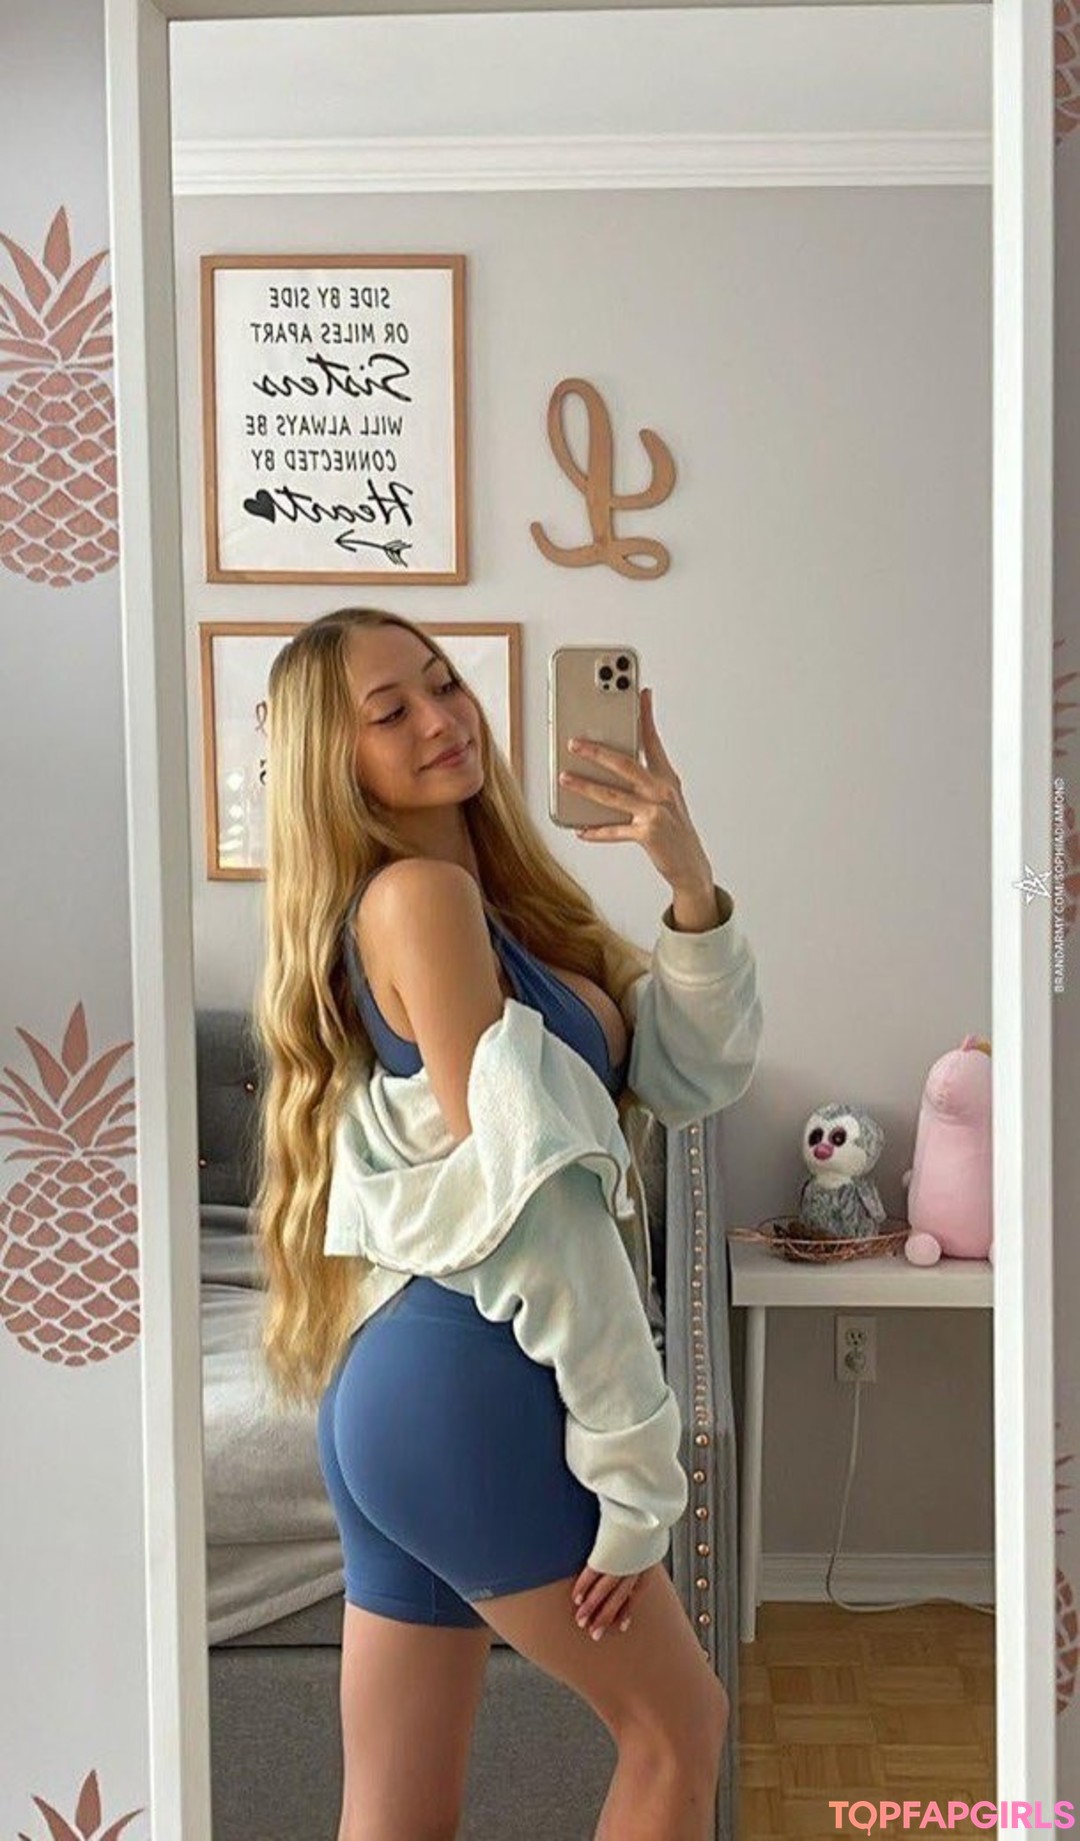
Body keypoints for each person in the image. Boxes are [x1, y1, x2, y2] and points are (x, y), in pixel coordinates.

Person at [250, 605, 763, 1841]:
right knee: (677, 1729)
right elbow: (538, 1206)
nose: (441, 718)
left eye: (444, 684)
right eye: (391, 710)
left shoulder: (488, 900)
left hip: (405, 1398)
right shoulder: (419, 897)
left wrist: (689, 882)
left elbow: (691, 1077)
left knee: (397, 1809)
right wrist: (637, 1468)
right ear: (334, 759)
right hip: (475, 1379)